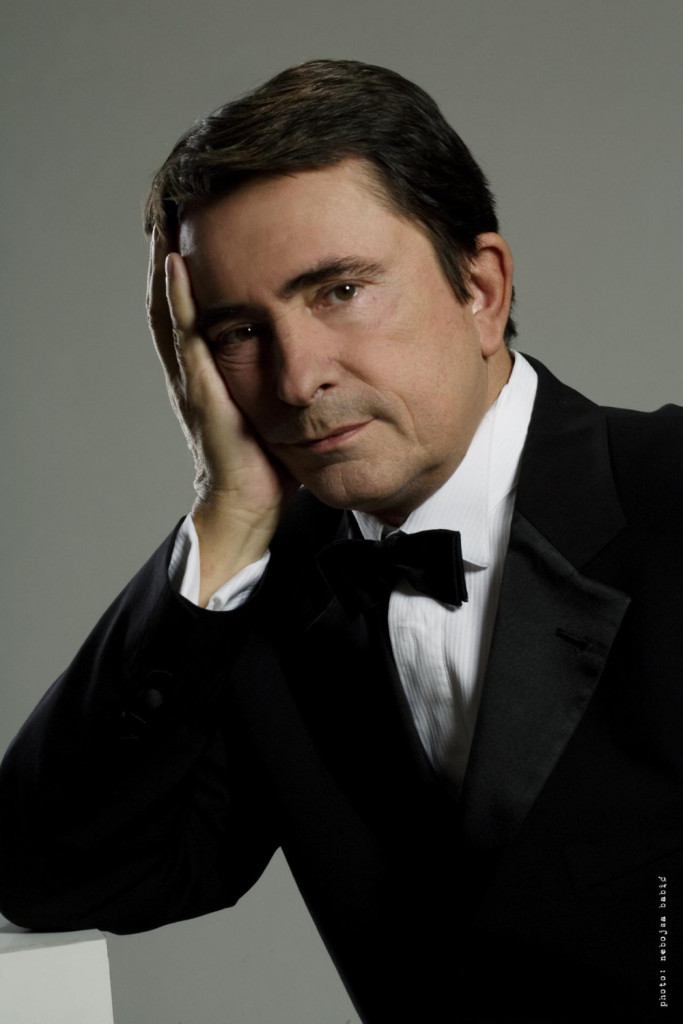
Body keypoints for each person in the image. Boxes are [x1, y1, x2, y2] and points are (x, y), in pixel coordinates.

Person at [0, 59, 681, 1023]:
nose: (294, 378)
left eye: (340, 290)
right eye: (237, 330)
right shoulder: (260, 591)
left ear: (480, 288)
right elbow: (53, 875)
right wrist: (225, 514)